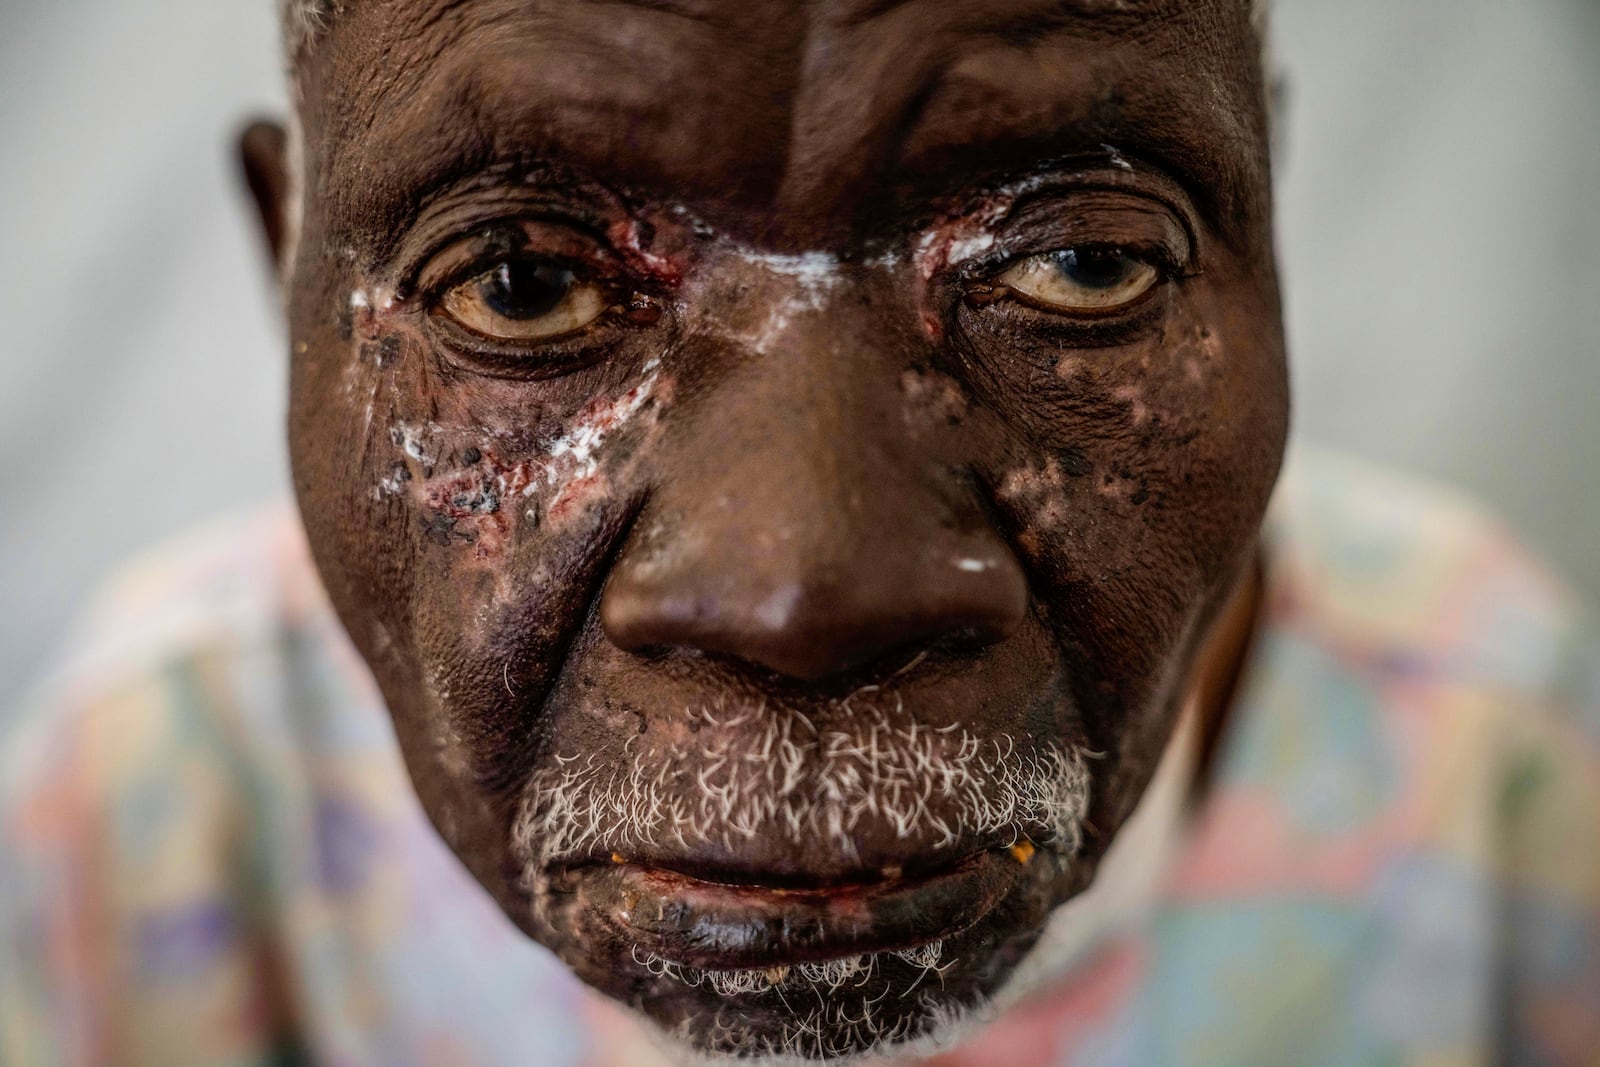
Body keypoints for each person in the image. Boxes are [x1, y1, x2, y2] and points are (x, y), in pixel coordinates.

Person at [3, 0, 1597, 1064]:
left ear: (1263, 225)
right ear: (293, 268)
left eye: (1078, 266)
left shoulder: (1491, 757)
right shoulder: (164, 797)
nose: (800, 587)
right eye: (522, 285)